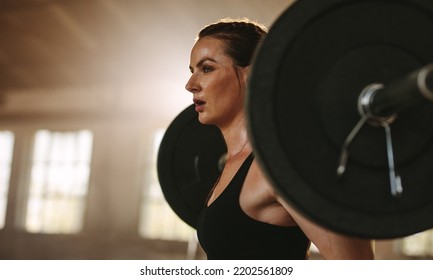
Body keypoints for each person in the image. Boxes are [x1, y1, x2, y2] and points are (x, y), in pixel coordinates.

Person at [185, 18, 374, 260]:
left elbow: (357, 264)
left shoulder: (280, 166)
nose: (190, 85)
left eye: (207, 68)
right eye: (192, 71)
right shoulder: (233, 164)